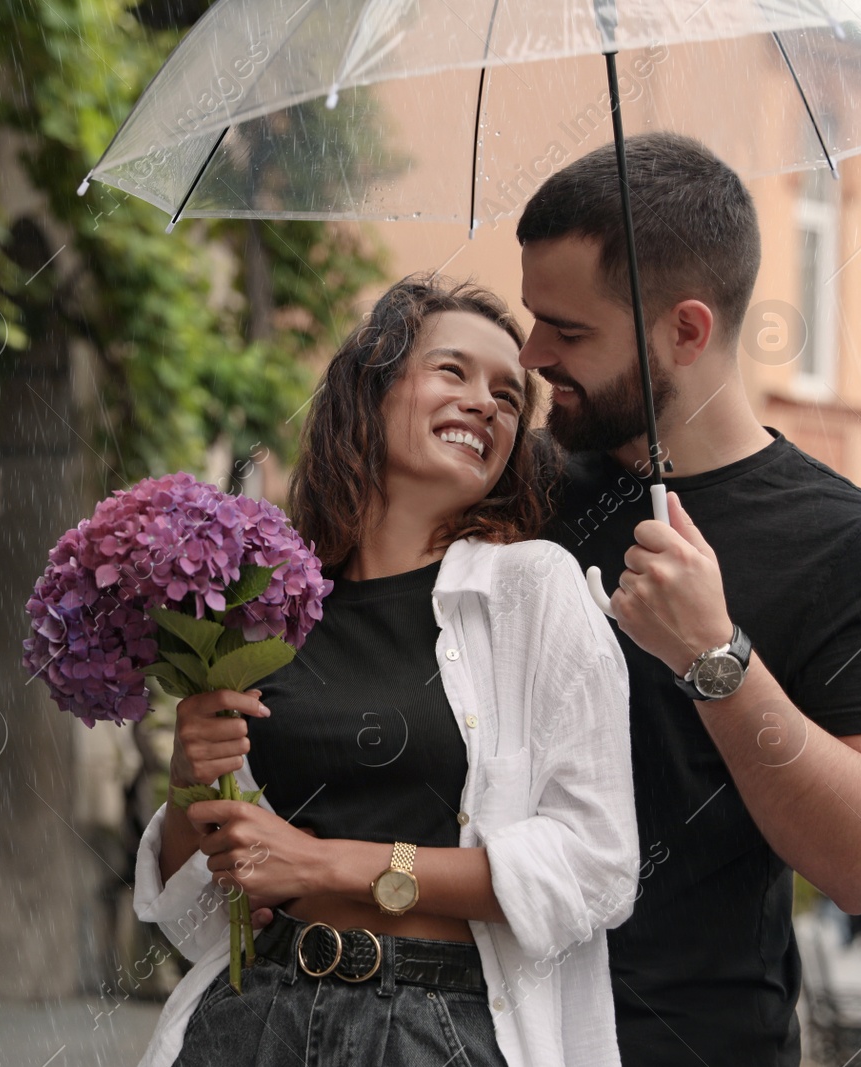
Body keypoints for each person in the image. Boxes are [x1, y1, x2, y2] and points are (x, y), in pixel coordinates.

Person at [132, 275, 639, 1067]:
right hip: (254, 1016)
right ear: (370, 389)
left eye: (509, 395)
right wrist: (188, 777)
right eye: (453, 371)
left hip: (436, 1025)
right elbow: (196, 917)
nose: (486, 404)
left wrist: (333, 863)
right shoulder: (267, 607)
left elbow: (597, 866)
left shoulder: (533, 590)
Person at [516, 131, 861, 1065]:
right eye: (535, 318)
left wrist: (716, 658)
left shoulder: (854, 545)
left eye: (570, 331)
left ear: (688, 331)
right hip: (490, 1029)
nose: (535, 350)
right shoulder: (522, 492)